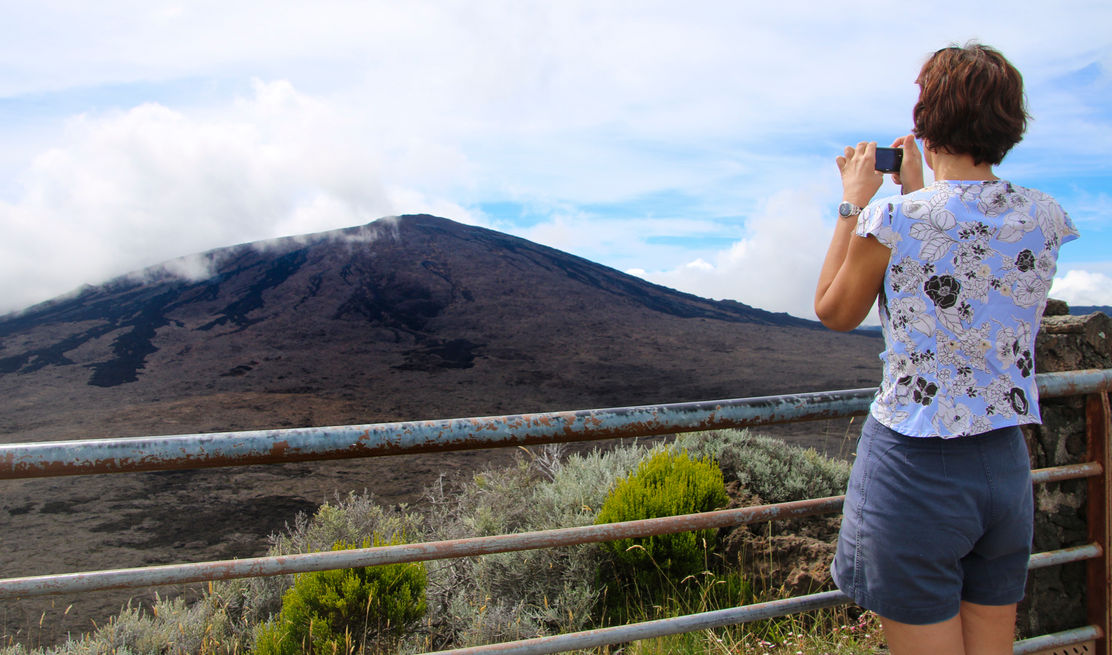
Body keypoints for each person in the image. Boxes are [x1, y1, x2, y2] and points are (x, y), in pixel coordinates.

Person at [813, 43, 1080, 655]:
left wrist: (855, 203)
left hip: (915, 468)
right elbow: (971, 266)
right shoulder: (1044, 216)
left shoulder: (894, 218)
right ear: (1009, 125)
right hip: (1004, 465)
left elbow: (834, 310)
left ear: (926, 122)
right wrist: (918, 190)